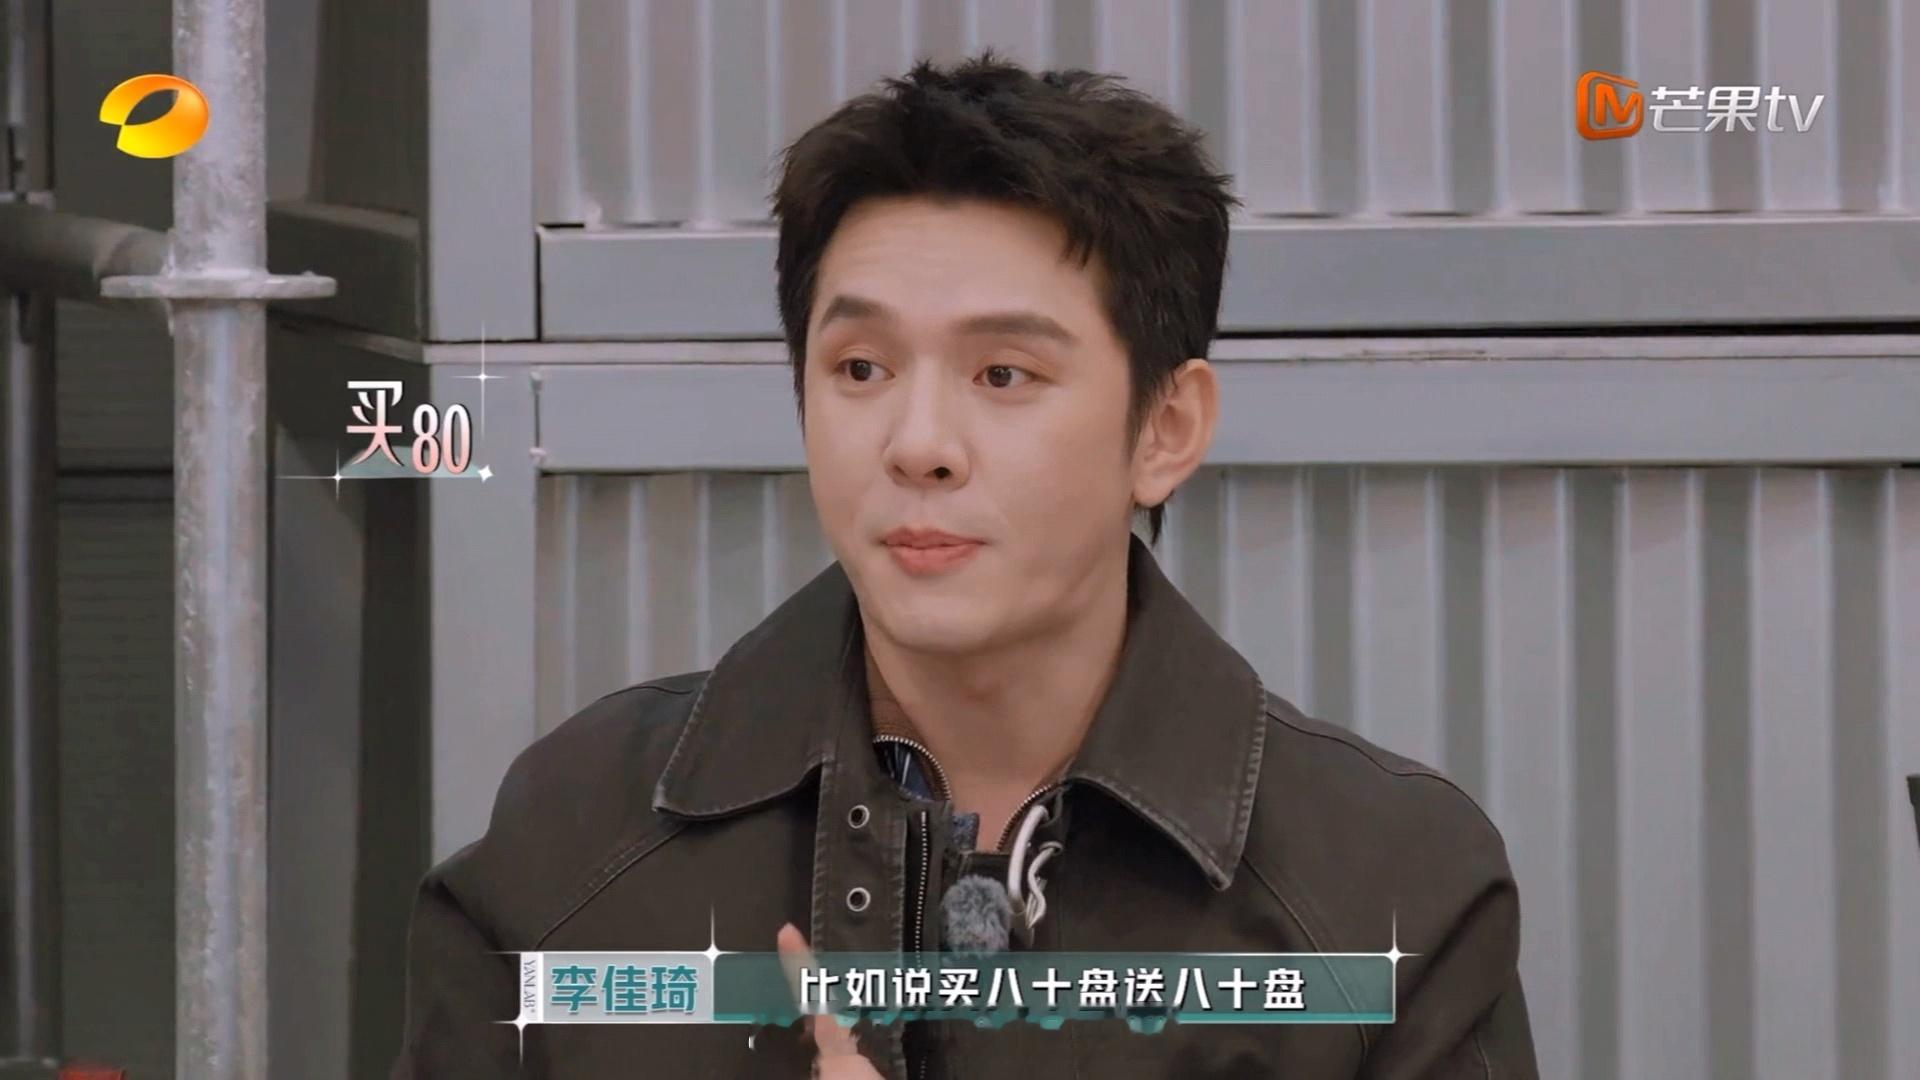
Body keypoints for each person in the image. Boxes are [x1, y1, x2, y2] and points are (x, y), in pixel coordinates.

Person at [391, 51, 1539, 1079]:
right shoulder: (575, 841)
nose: (919, 445)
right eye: (860, 368)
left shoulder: (1389, 895)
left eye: (1003, 376)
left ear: (1165, 428)